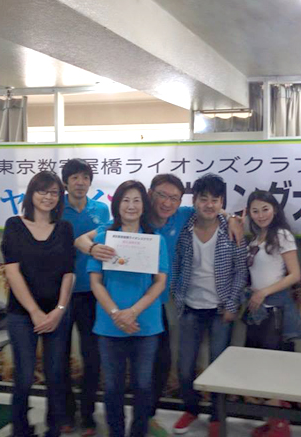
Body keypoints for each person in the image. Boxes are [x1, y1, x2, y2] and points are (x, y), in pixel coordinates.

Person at [75, 173, 243, 437]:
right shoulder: (110, 233)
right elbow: (82, 244)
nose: (167, 202)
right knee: (114, 385)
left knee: (155, 373)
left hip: (153, 310)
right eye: (162, 195)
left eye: (174, 197)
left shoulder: (176, 221)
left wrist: (232, 217)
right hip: (112, 318)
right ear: (150, 196)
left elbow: (210, 206)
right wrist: (93, 248)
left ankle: (145, 422)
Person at [88, 180, 169, 437]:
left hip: (145, 324)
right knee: (112, 387)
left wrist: (133, 312)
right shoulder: (103, 239)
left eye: (136, 200)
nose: (131, 206)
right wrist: (116, 314)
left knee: (143, 386)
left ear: (144, 206)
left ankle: (138, 432)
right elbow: (95, 282)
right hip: (109, 324)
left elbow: (159, 282)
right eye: (125, 200)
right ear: (117, 205)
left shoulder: (156, 240)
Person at [171, 173, 248, 437]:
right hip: (189, 307)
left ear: (222, 202)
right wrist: (176, 295)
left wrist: (232, 304)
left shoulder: (232, 229)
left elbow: (241, 270)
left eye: (215, 200)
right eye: (204, 199)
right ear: (194, 200)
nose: (209, 205)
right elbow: (176, 263)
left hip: (220, 310)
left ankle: (217, 415)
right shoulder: (184, 228)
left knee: (218, 368)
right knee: (184, 367)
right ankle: (191, 409)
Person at [1, 171, 76, 437]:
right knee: (23, 376)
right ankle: (21, 429)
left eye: (54, 192)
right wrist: (34, 311)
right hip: (22, 315)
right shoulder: (14, 225)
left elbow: (69, 273)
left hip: (57, 314)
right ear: (31, 194)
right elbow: (12, 272)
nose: (48, 197)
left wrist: (59, 310)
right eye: (42, 191)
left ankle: (54, 429)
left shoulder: (64, 228)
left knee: (56, 376)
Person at [243, 190, 301, 437]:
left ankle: (280, 425)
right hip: (257, 310)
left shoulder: (282, 235)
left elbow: (295, 275)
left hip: (276, 309)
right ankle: (272, 421)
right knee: (260, 366)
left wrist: (264, 292)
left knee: (274, 366)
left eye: (265, 209)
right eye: (255, 211)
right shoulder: (255, 239)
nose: (261, 215)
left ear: (275, 210)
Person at [60, 158, 109, 436]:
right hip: (61, 293)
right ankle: (66, 413)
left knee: (92, 357)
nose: (80, 182)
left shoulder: (101, 209)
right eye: (74, 177)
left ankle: (88, 414)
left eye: (85, 177)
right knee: (60, 357)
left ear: (90, 181)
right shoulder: (55, 208)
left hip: (93, 294)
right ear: (66, 182)